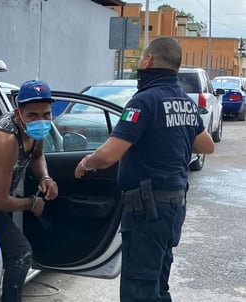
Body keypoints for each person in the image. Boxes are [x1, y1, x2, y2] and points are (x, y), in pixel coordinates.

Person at [74, 37, 214, 302]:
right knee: (158, 285)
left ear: (148, 59)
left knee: (139, 290)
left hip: (147, 213)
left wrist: (86, 163)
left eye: (141, 58)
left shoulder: (144, 101)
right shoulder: (184, 101)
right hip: (173, 207)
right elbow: (206, 145)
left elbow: (110, 154)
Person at [0, 80, 58, 302]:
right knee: (20, 253)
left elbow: (37, 156)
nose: (41, 121)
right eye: (33, 115)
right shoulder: (6, 140)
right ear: (19, 114)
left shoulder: (36, 131)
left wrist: (45, 177)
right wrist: (31, 203)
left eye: (46, 115)